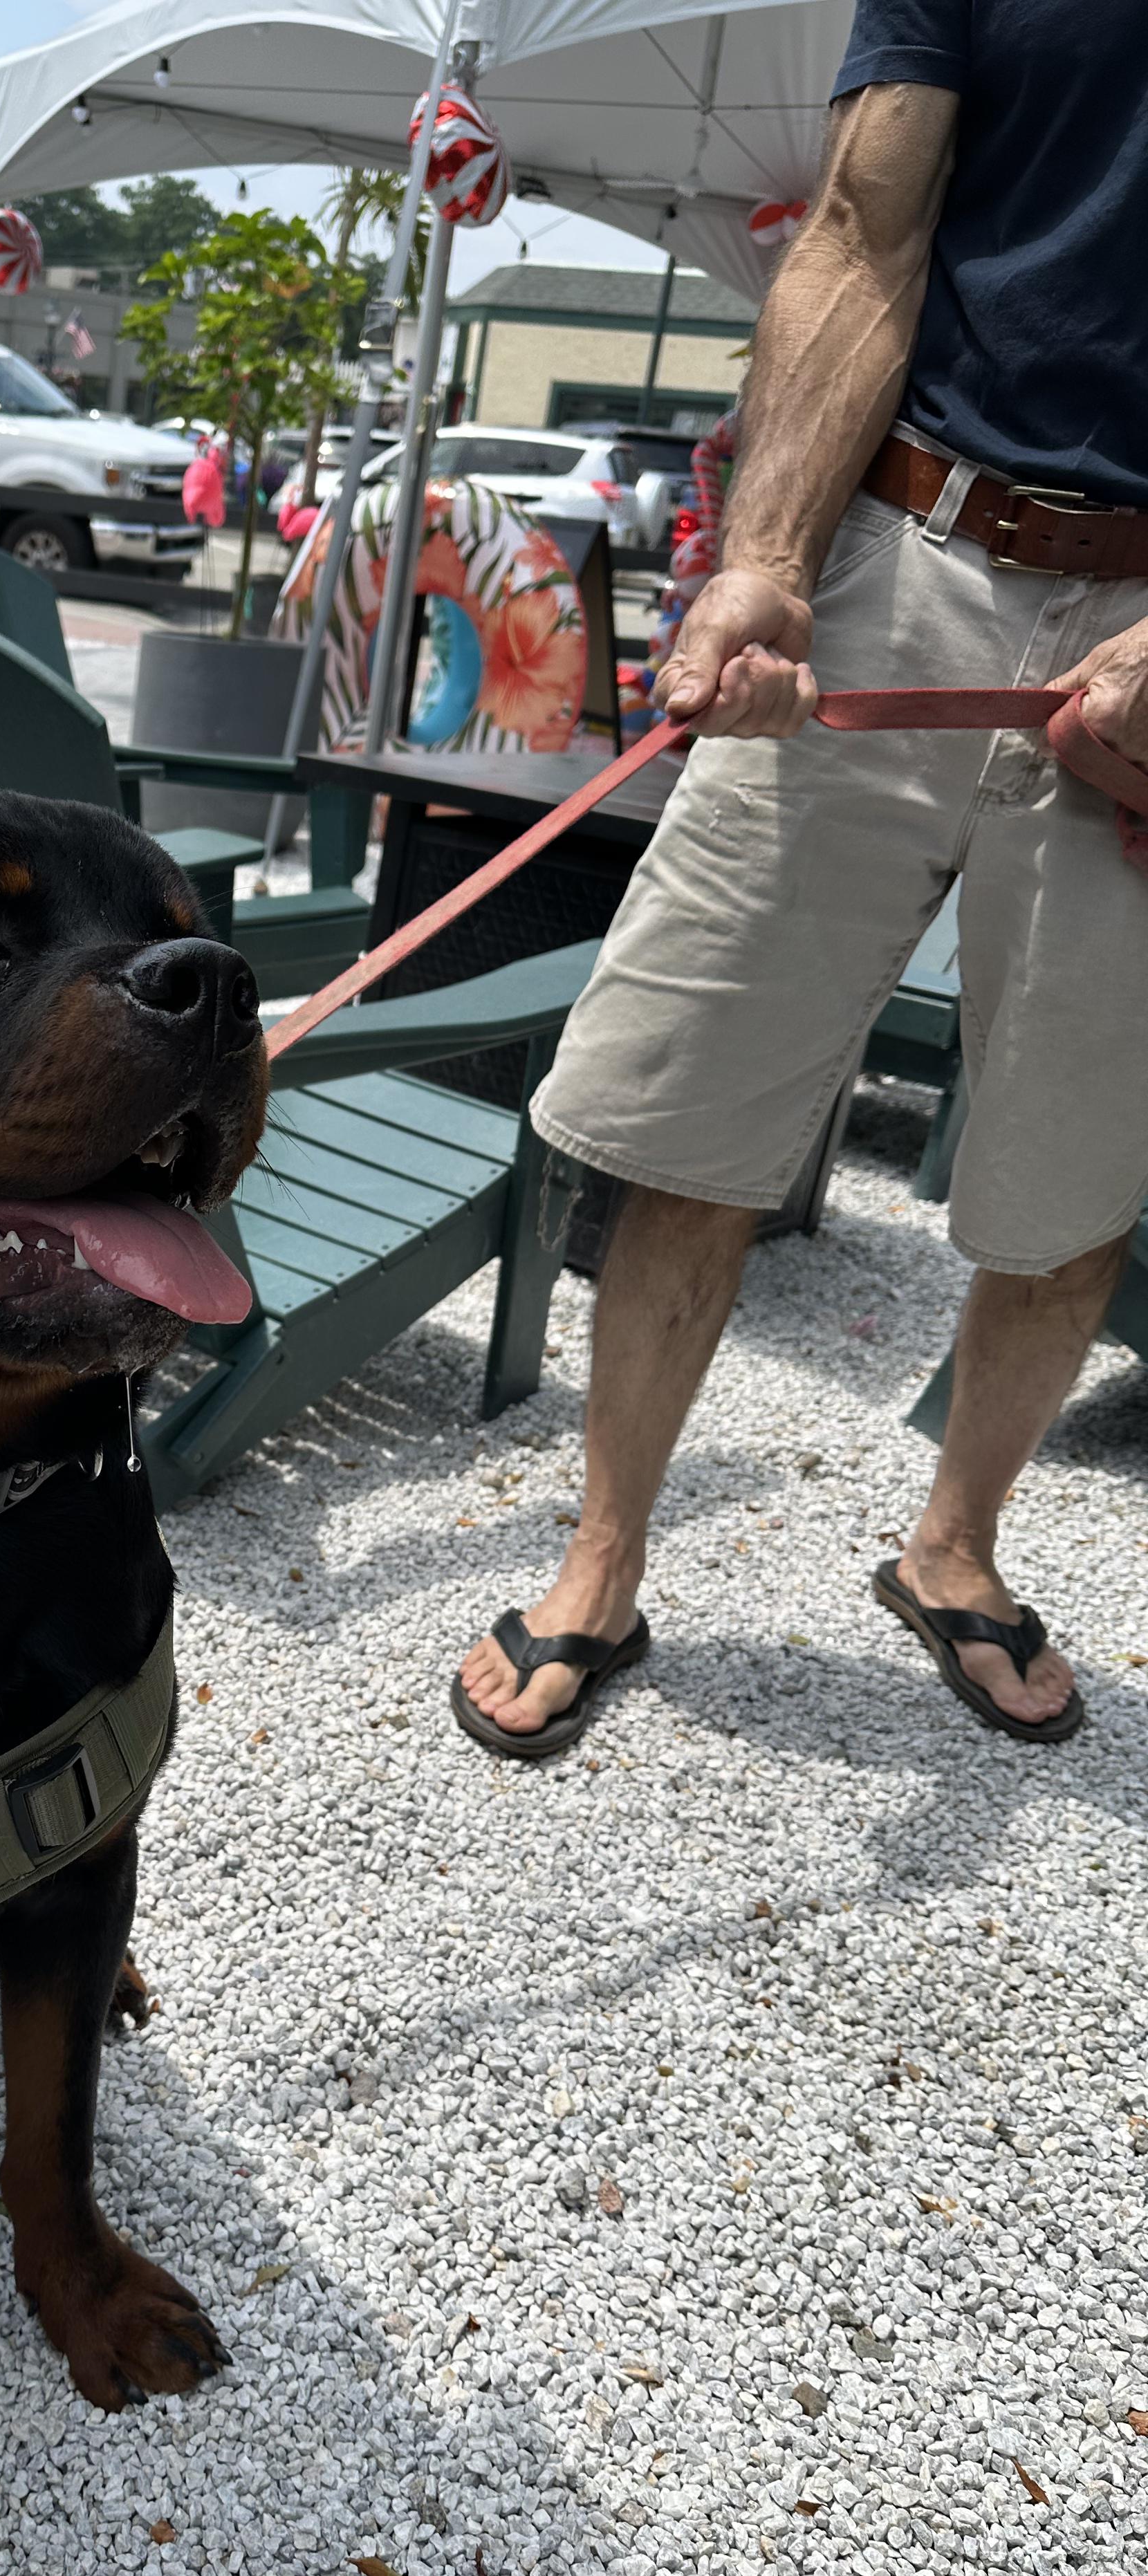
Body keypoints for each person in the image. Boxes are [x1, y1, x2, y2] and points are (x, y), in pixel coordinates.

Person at [453, 0, 1148, 1759]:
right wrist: (764, 555)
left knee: (1082, 1165)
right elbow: (860, 224)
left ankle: (955, 1548)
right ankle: (604, 1559)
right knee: (695, 1103)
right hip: (898, 548)